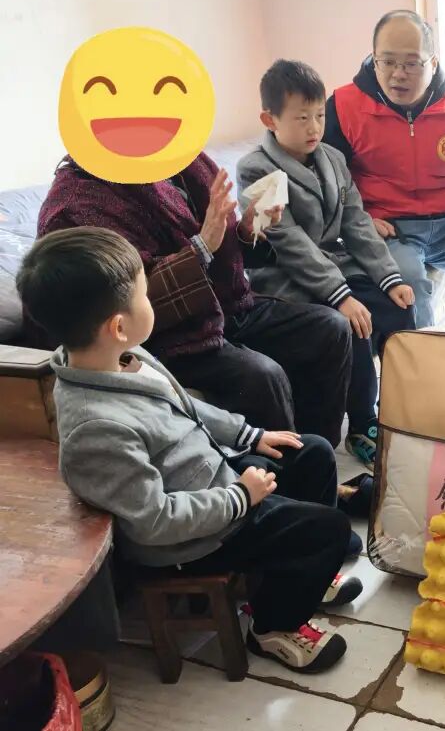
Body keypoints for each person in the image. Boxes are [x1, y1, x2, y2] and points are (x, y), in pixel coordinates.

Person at [17, 227, 367, 674]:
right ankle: (273, 628)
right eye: (144, 295)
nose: (151, 302)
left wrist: (250, 436)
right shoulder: (95, 426)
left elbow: (187, 406)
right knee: (328, 528)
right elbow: (155, 521)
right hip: (194, 539)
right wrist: (240, 497)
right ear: (118, 326)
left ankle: (298, 574)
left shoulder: (127, 357)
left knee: (312, 452)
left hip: (216, 478)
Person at [36, 151, 353, 448]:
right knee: (261, 376)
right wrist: (201, 247)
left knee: (330, 328)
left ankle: (317, 455)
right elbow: (122, 298)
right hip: (166, 334)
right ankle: (285, 478)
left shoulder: (184, 159)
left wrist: (248, 227)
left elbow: (227, 245)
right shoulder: (75, 205)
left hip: (228, 304)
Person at [237, 59, 416, 471]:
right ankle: (363, 425)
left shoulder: (333, 158)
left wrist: (389, 277)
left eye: (319, 115)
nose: (314, 127)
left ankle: (401, 408)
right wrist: (342, 296)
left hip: (333, 263)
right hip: (284, 276)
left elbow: (357, 223)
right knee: (354, 321)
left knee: (399, 307)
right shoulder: (255, 168)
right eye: (302, 118)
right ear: (270, 119)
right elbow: (289, 242)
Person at [323, 10, 445, 331]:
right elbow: (324, 178)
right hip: (391, 230)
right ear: (374, 58)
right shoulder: (344, 106)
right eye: (387, 62)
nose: (398, 74)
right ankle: (427, 359)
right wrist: (357, 221)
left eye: (411, 63)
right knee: (407, 281)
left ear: (432, 62)